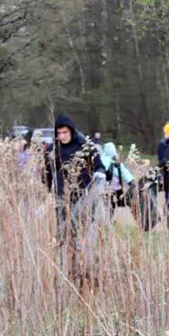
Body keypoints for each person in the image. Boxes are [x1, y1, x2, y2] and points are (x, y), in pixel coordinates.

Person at [45, 113, 109, 279]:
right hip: (61, 198)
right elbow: (47, 172)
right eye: (58, 133)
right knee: (62, 234)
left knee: (79, 235)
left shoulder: (84, 146)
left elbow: (99, 166)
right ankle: (62, 270)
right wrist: (46, 191)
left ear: (71, 131)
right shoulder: (54, 149)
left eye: (65, 132)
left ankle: (81, 270)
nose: (62, 136)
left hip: (82, 197)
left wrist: (99, 174)